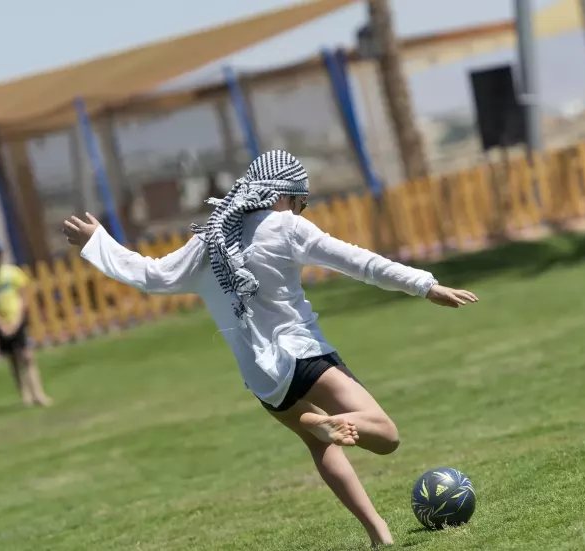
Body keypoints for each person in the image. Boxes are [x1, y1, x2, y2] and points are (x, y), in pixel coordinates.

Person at [62, 150, 478, 549]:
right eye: (301, 202)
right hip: (303, 353)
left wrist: (97, 241)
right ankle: (330, 422)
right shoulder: (286, 226)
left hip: (263, 378)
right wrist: (426, 286)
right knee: (385, 435)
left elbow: (150, 275)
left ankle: (378, 533)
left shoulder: (208, 240)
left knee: (319, 445)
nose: (301, 211)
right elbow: (360, 262)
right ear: (286, 195)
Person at [0, 242, 53, 407]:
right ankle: (25, 395)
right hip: (1, 323)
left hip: (16, 319)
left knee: (27, 356)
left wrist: (17, 319)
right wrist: (0, 324)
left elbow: (24, 295)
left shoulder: (12, 273)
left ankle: (38, 393)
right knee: (13, 360)